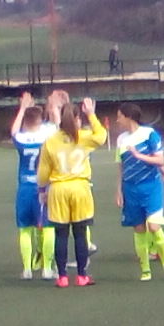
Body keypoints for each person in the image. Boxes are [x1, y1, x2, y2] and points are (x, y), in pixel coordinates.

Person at [38, 98, 108, 287]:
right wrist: (91, 114)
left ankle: (62, 277)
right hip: (80, 188)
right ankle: (82, 275)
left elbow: (43, 172)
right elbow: (102, 136)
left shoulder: (51, 141)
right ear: (77, 119)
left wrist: (42, 189)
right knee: (80, 233)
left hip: (58, 189)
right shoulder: (83, 136)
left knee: (61, 234)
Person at [114, 102, 164, 281]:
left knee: (154, 226)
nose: (117, 120)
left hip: (151, 186)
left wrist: (139, 156)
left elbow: (159, 160)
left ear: (128, 117)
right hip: (130, 189)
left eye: (119, 116)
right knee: (139, 229)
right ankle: (145, 269)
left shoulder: (149, 134)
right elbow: (121, 167)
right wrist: (119, 190)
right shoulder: (121, 140)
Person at [10, 92, 56, 279]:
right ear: (40, 120)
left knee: (25, 229)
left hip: (24, 188)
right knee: (48, 227)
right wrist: (53, 107)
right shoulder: (48, 137)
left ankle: (27, 269)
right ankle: (47, 268)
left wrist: (22, 108)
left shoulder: (21, 139)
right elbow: (57, 124)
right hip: (43, 188)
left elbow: (14, 131)